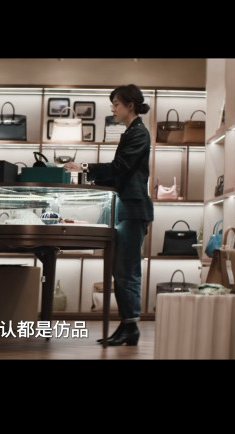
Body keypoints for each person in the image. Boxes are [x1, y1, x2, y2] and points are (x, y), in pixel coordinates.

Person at [64, 84, 153, 346]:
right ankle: (127, 326)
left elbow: (120, 167)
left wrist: (84, 167)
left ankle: (130, 326)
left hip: (133, 208)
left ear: (130, 105)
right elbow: (120, 171)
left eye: (116, 104)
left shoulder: (139, 134)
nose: (113, 109)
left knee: (127, 269)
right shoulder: (132, 132)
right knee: (120, 269)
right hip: (126, 207)